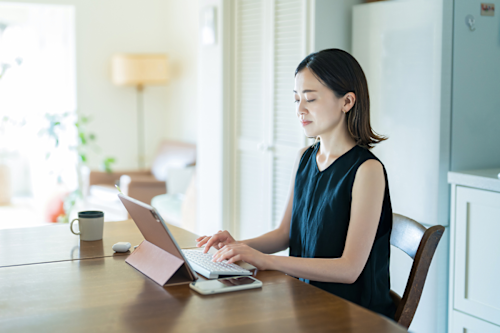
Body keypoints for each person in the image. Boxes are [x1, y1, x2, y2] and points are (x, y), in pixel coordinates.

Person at [196, 49, 396, 318]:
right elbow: (285, 234)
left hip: (352, 314)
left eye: (310, 99)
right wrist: (239, 247)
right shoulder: (305, 157)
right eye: (296, 99)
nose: (300, 109)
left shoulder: (367, 170)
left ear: (347, 101)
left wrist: (267, 261)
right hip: (306, 299)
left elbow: (349, 270)